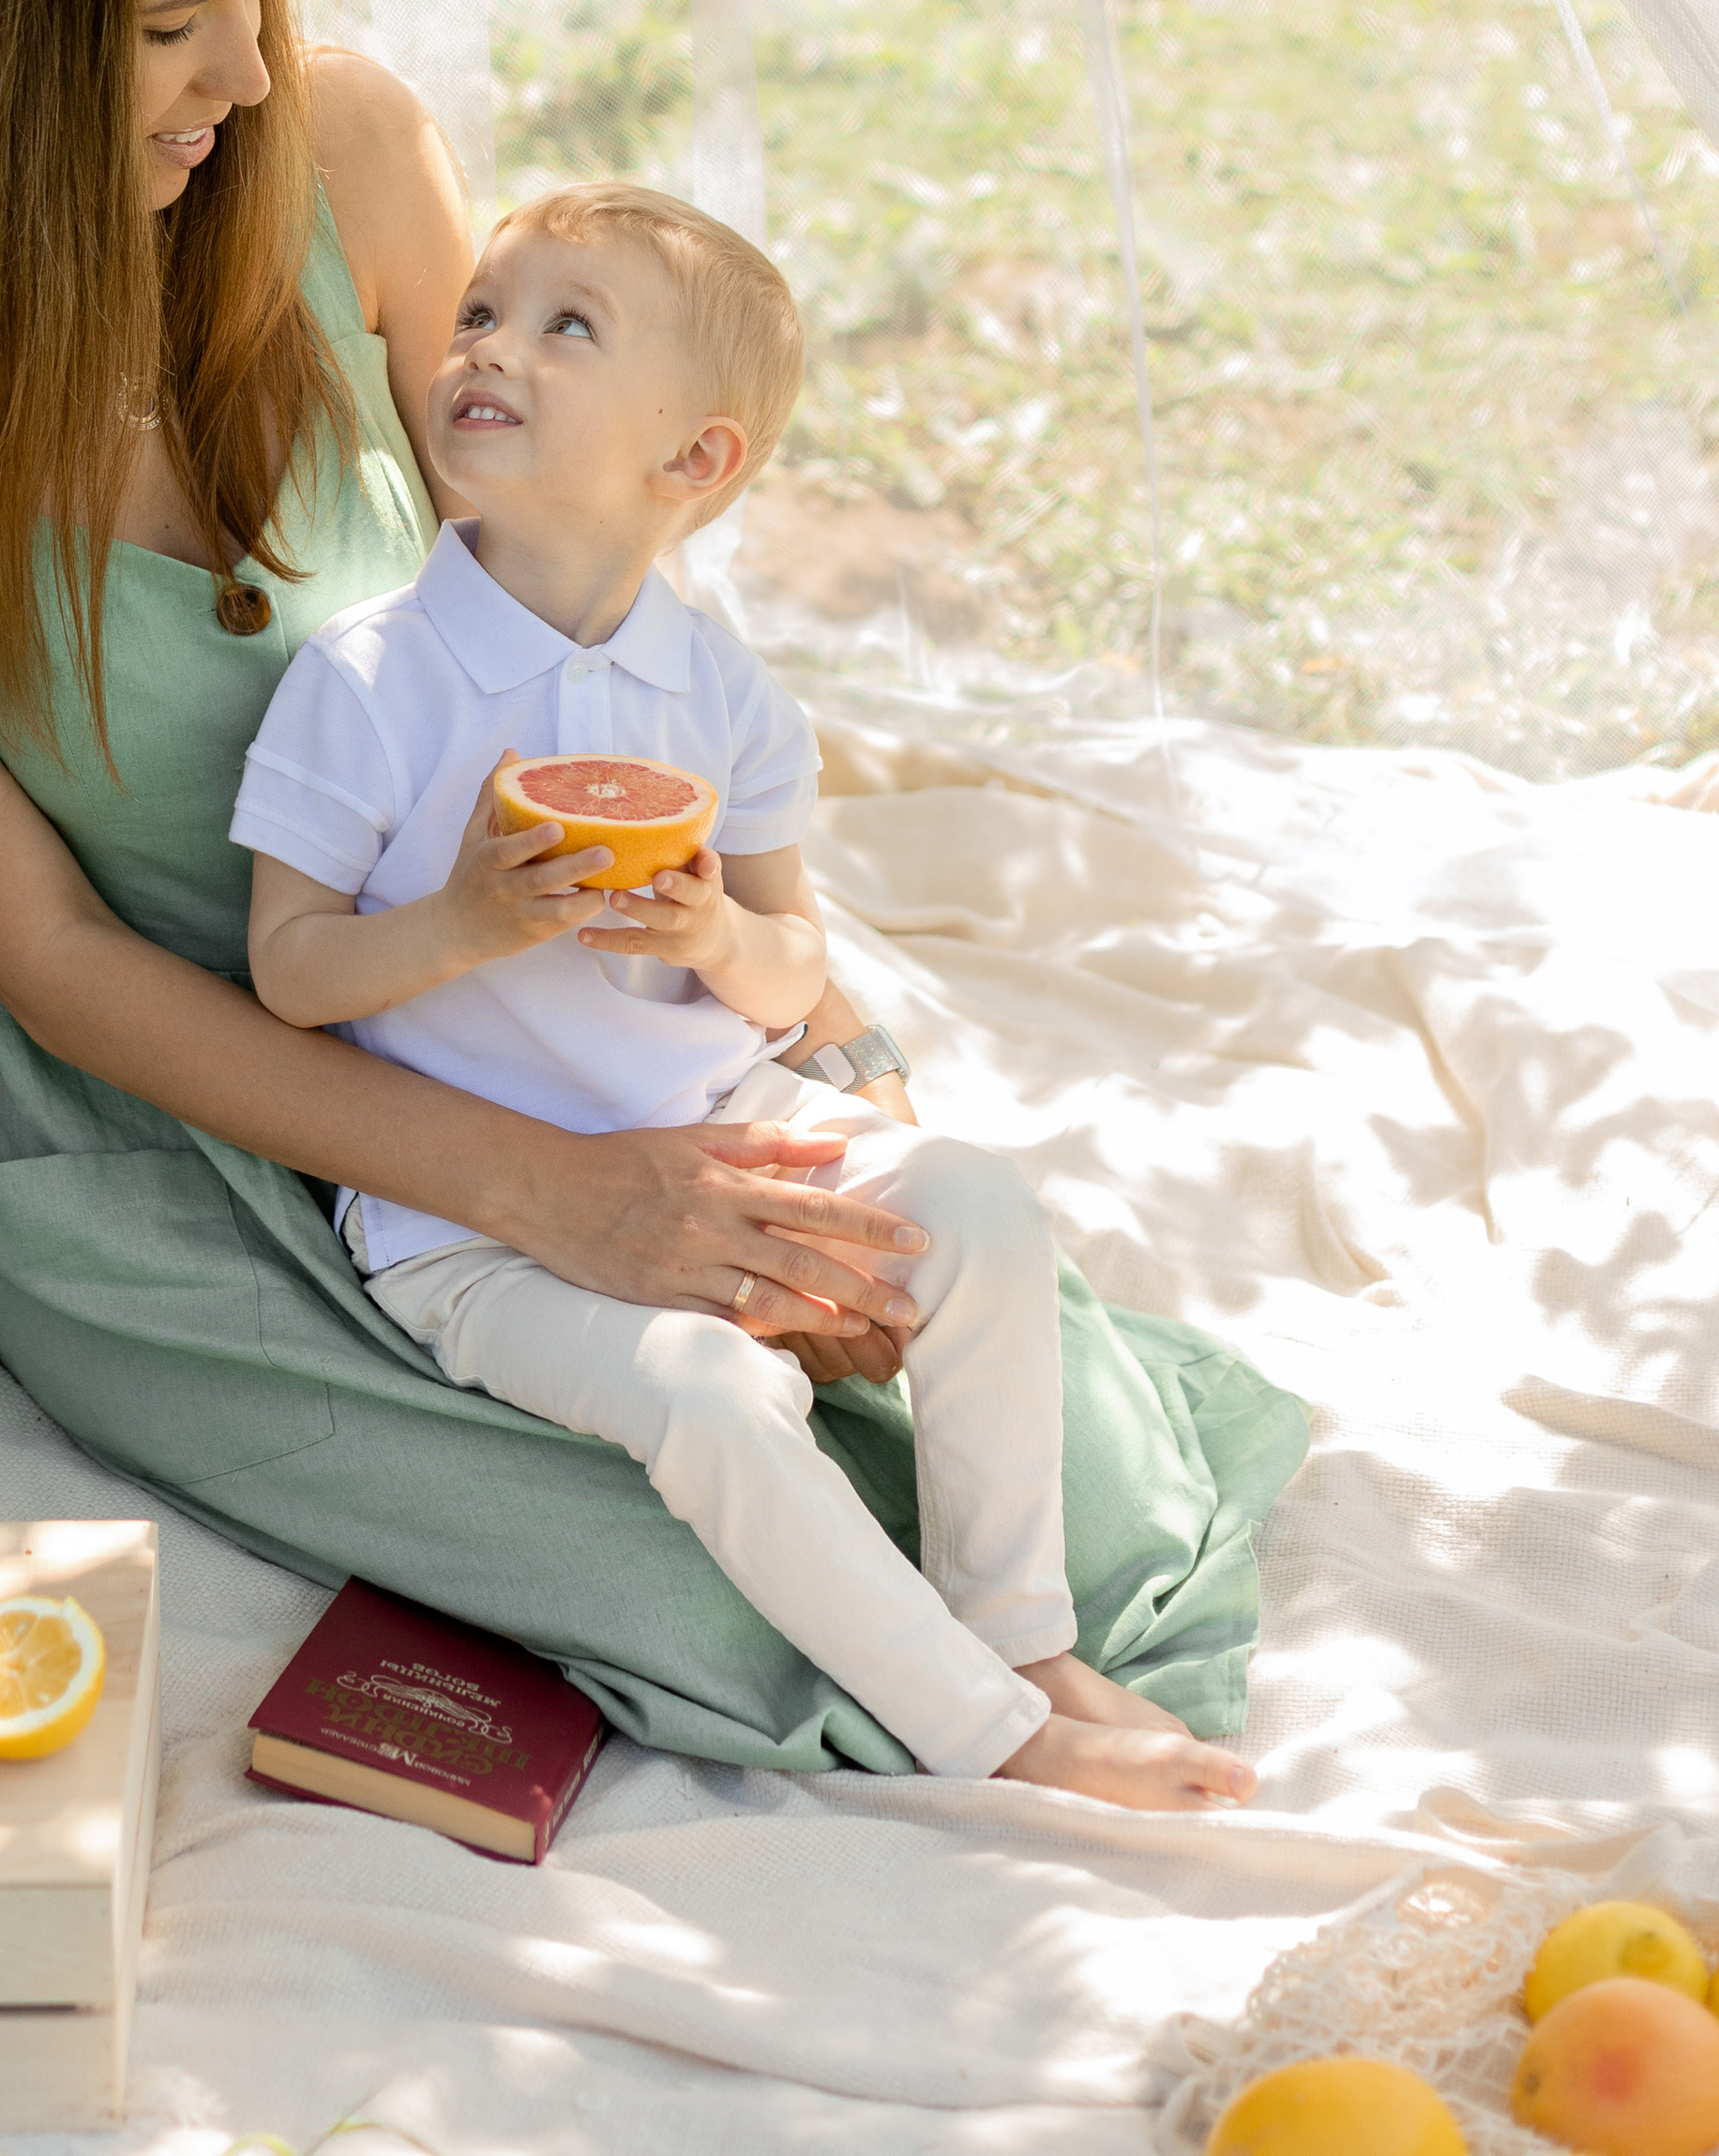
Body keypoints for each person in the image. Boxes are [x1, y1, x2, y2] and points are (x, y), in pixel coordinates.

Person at [0, 0, 1304, 1772]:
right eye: (174, 27)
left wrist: (754, 1005)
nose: (251, 75)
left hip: (520, 983)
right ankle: (987, 1730)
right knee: (700, 1554)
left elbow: (556, 565)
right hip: (169, 1106)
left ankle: (1016, 1653)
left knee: (983, 1409)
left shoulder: (342, 154)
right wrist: (541, 1194)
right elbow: (63, 960)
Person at [234, 184, 1257, 1808]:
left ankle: (1023, 1627)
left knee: (982, 1209)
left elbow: (795, 979)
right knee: (709, 1393)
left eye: (569, 325)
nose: (490, 342)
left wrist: (715, 936)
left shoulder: (725, 697)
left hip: (720, 1115)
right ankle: (990, 1731)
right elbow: (287, 973)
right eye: (487, 309)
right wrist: (462, 922)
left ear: (695, 462)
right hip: (462, 1227)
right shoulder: (363, 678)